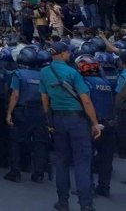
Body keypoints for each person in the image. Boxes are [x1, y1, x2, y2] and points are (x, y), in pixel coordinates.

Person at [39, 42, 101, 211]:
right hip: (78, 120)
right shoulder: (73, 72)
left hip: (58, 119)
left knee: (62, 162)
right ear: (64, 54)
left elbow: (45, 99)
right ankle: (85, 204)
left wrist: (49, 119)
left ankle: (63, 201)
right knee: (82, 162)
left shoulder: (44, 73)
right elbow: (86, 101)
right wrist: (95, 123)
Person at [4, 46, 48, 183]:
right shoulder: (42, 74)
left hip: (23, 110)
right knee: (39, 143)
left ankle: (15, 172)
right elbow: (46, 96)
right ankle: (39, 173)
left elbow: (15, 95)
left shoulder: (18, 74)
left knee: (16, 141)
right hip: (40, 111)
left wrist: (9, 113)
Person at [77, 54, 117, 198]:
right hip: (109, 123)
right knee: (106, 158)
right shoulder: (105, 82)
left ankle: (88, 188)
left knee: (86, 157)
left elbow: (85, 103)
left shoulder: (84, 83)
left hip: (92, 124)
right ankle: (104, 187)